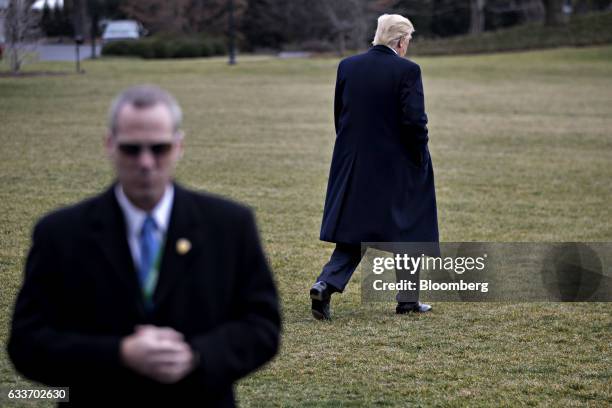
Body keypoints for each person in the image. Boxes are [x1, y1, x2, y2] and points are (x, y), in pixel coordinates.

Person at [7, 85, 281, 406]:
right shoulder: (61, 234)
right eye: (131, 149)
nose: (146, 162)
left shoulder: (230, 226)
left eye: (159, 148)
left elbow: (262, 327)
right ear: (109, 145)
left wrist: (198, 356)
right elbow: (27, 343)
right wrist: (118, 354)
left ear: (179, 146)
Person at [311, 14, 439, 320]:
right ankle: (407, 300)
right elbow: (414, 121)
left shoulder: (348, 66)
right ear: (401, 41)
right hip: (397, 164)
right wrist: (419, 155)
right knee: (408, 228)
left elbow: (340, 114)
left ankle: (325, 284)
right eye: (408, 40)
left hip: (354, 162)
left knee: (355, 231)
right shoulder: (407, 70)